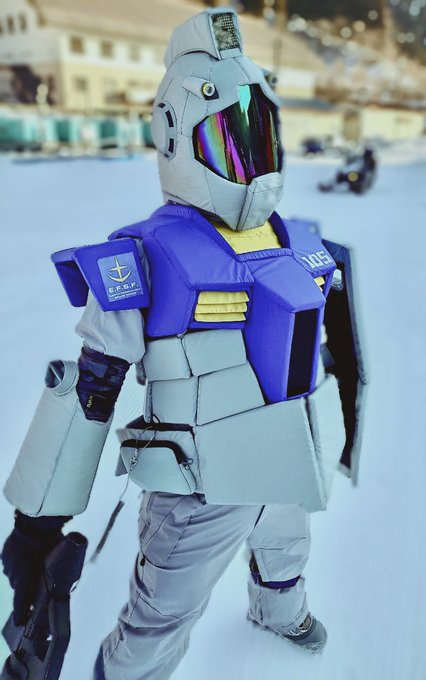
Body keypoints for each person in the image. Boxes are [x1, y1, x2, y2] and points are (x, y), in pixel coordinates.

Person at [1, 9, 363, 680]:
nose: (248, 155)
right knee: (160, 618)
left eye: (258, 134)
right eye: (229, 137)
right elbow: (89, 390)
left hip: (290, 455)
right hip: (201, 484)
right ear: (175, 135)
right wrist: (37, 523)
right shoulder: (143, 254)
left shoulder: (295, 238)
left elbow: (332, 342)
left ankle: (279, 611)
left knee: (286, 549)